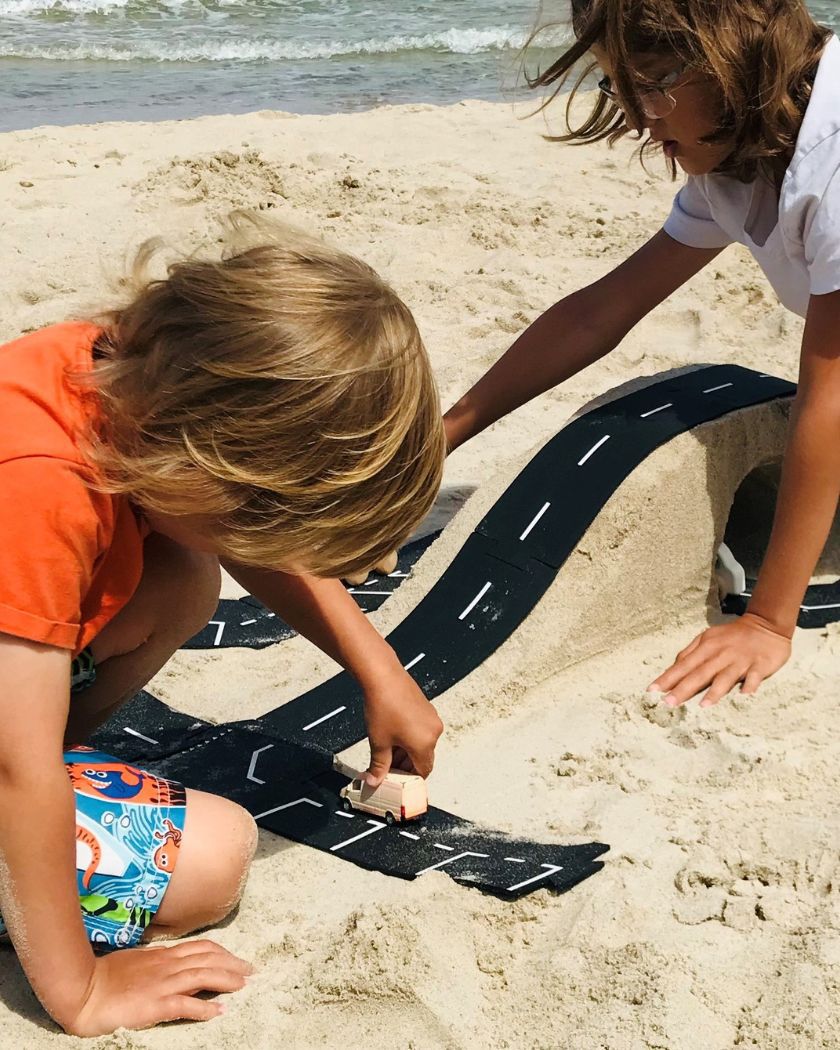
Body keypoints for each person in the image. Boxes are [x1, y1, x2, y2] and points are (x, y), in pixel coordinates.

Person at [0, 215, 445, 1036]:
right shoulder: (36, 487)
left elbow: (222, 531)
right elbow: (11, 772)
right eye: (254, 525)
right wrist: (82, 992)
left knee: (180, 574)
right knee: (212, 859)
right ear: (203, 461)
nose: (261, 553)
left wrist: (380, 673)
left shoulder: (123, 371)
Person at [443, 0, 840, 711]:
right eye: (620, 90)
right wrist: (443, 436)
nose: (636, 118)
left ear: (727, 61)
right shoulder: (740, 169)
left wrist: (767, 620)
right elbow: (603, 309)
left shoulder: (832, 158)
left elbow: (832, 393)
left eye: (651, 86)